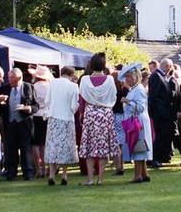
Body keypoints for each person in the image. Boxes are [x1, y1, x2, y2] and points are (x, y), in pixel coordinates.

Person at [78, 52, 119, 186]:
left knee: (89, 147)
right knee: (102, 148)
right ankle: (101, 179)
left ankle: (90, 179)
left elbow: (82, 99)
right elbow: (113, 97)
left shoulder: (84, 80)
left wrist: (81, 114)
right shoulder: (109, 80)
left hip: (90, 114)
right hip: (105, 114)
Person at [0, 67, 38, 181]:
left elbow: (36, 106)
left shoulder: (29, 87)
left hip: (24, 123)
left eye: (12, 78)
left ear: (19, 78)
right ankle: (11, 173)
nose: (9, 80)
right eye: (9, 77)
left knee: (26, 149)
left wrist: (29, 108)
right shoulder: (4, 88)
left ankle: (28, 173)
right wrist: (0, 103)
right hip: (10, 123)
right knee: (10, 149)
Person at [45, 66, 79, 186]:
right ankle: (64, 174)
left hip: (53, 118)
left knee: (53, 146)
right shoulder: (73, 86)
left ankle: (51, 175)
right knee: (65, 147)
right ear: (71, 74)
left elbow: (47, 100)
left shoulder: (52, 83)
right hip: (66, 118)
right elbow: (74, 105)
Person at [119, 63, 152, 183]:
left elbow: (140, 107)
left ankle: (137, 175)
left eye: (129, 76)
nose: (127, 79)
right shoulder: (135, 89)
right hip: (136, 120)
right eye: (126, 76)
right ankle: (144, 173)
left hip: (138, 121)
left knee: (138, 146)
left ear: (135, 76)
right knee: (139, 146)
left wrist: (128, 102)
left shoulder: (138, 89)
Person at [147, 58, 174, 167]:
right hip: (159, 112)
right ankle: (154, 158)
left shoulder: (161, 76)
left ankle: (158, 157)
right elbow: (153, 96)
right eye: (170, 66)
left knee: (162, 135)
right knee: (159, 135)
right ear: (167, 66)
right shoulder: (156, 76)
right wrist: (157, 111)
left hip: (163, 112)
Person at [28, 65, 52, 179]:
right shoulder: (50, 86)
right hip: (47, 115)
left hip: (36, 115)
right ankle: (46, 167)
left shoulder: (33, 87)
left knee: (35, 144)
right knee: (45, 144)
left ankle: (38, 169)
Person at [111, 69, 129, 176]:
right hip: (124, 115)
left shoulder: (113, 90)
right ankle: (122, 164)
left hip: (115, 115)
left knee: (115, 141)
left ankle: (118, 166)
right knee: (122, 141)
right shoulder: (125, 90)